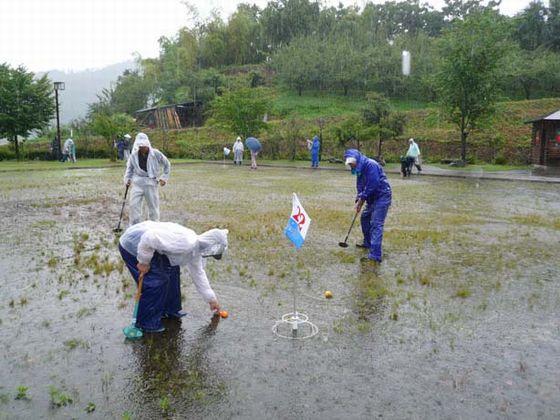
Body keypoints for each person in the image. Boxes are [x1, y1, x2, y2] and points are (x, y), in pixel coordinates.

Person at [119, 221, 227, 332]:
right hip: (134, 243)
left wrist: (211, 299)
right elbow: (149, 237)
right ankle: (146, 323)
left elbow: (198, 274)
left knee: (172, 270)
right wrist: (143, 261)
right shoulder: (187, 242)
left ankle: (170, 309)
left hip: (152, 246)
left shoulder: (196, 250)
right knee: (157, 281)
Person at [343, 149, 392, 263]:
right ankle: (368, 242)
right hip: (371, 198)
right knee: (365, 218)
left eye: (352, 163)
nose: (351, 165)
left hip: (382, 196)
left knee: (376, 224)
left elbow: (373, 185)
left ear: (357, 159)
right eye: (349, 164)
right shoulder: (358, 169)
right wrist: (358, 198)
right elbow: (360, 185)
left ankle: (375, 255)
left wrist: (362, 199)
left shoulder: (370, 165)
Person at [124, 133, 171, 225]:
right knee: (134, 206)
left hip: (151, 183)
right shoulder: (133, 155)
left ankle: (154, 227)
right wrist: (127, 179)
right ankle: (134, 227)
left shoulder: (156, 153)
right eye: (140, 146)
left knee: (153, 207)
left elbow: (167, 164)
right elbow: (129, 169)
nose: (142, 148)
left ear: (148, 144)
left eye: (144, 146)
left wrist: (164, 177)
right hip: (137, 183)